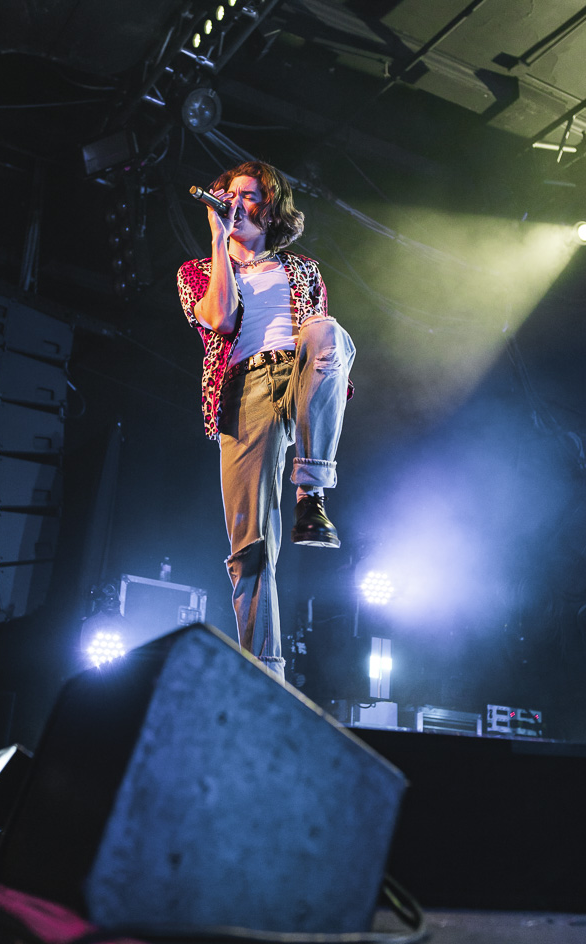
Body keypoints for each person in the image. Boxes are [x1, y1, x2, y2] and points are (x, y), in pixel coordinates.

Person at [177, 160, 355, 681]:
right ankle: (266, 675)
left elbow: (327, 351)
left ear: (270, 208)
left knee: (328, 332)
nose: (237, 203)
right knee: (249, 544)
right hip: (243, 389)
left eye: (250, 196)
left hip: (296, 369)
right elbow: (221, 319)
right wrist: (219, 240)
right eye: (229, 195)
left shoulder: (302, 269)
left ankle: (311, 495)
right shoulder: (198, 271)